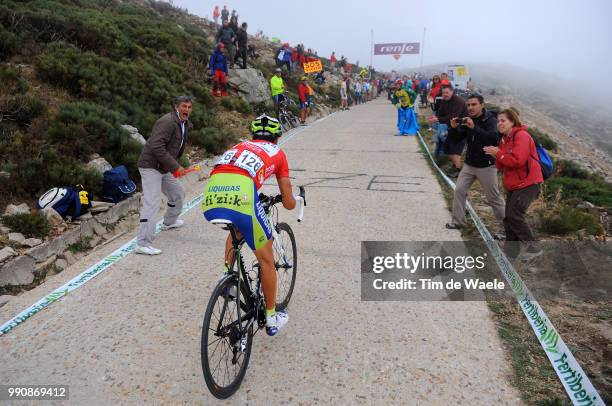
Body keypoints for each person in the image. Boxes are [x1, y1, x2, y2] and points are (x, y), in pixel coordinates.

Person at [202, 115, 299, 336]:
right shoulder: (278, 153)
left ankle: (227, 278)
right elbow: (289, 203)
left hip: (210, 196)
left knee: (236, 229)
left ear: (253, 135)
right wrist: (296, 199)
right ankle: (272, 317)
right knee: (266, 258)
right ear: (276, 137)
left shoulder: (238, 146)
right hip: (243, 194)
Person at [484, 109, 543, 260]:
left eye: (503, 120)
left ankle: (534, 247)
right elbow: (503, 165)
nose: (499, 123)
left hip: (528, 183)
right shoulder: (504, 139)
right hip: (514, 184)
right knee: (508, 218)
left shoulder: (521, 135)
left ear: (512, 121)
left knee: (514, 215)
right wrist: (496, 155)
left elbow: (518, 160)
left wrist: (498, 154)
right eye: (498, 121)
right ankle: (511, 253)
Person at [135, 96, 192, 255]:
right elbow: (156, 146)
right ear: (176, 106)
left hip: (163, 167)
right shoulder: (167, 121)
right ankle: (142, 243)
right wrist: (175, 166)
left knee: (178, 193)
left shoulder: (183, 123)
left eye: (189, 107)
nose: (186, 109)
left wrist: (174, 167)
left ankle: (169, 222)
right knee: (151, 203)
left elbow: (175, 148)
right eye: (183, 106)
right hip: (150, 166)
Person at [446, 94, 505, 231]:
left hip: (486, 165)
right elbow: (456, 139)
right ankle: (458, 221)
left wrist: (474, 128)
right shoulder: (469, 119)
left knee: (493, 198)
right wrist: (453, 128)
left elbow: (493, 140)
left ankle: (507, 229)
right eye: (468, 105)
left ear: (482, 105)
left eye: (474, 104)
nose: (470, 107)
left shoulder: (491, 120)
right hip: (469, 164)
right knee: (459, 190)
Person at [430, 84, 467, 177]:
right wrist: (436, 117)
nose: (445, 94)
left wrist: (438, 119)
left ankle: (458, 170)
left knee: (455, 148)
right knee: (447, 147)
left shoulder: (458, 101)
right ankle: (454, 165)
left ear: (452, 91)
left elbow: (454, 117)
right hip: (451, 126)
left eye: (447, 92)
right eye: (443, 93)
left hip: (462, 126)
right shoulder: (444, 101)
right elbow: (440, 113)